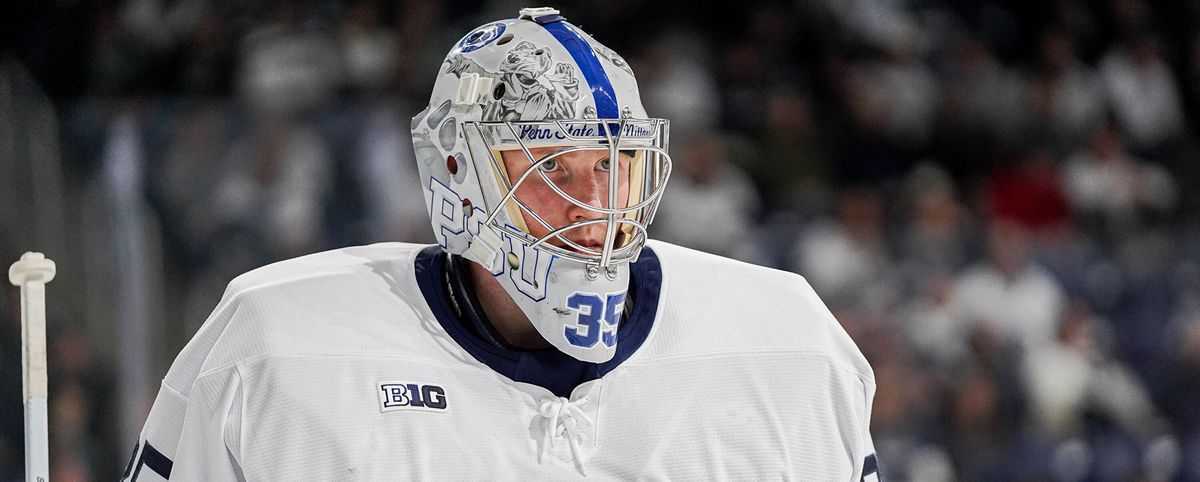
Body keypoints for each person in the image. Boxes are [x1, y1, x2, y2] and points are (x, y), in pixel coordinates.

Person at [122, 8, 879, 480]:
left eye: (615, 165)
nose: (596, 205)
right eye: (552, 167)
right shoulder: (271, 350)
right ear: (459, 173)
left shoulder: (793, 346)